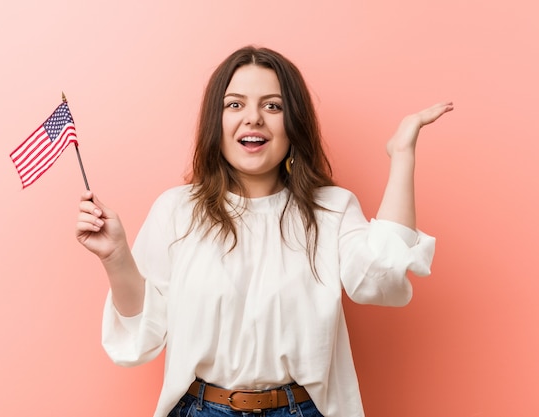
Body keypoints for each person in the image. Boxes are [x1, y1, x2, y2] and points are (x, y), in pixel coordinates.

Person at [75, 46, 453, 417]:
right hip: (201, 408)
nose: (253, 118)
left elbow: (381, 281)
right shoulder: (177, 209)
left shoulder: (331, 208)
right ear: (215, 122)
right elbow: (143, 336)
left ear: (293, 124)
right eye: (234, 104)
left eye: (272, 106)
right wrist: (116, 256)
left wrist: (402, 154)